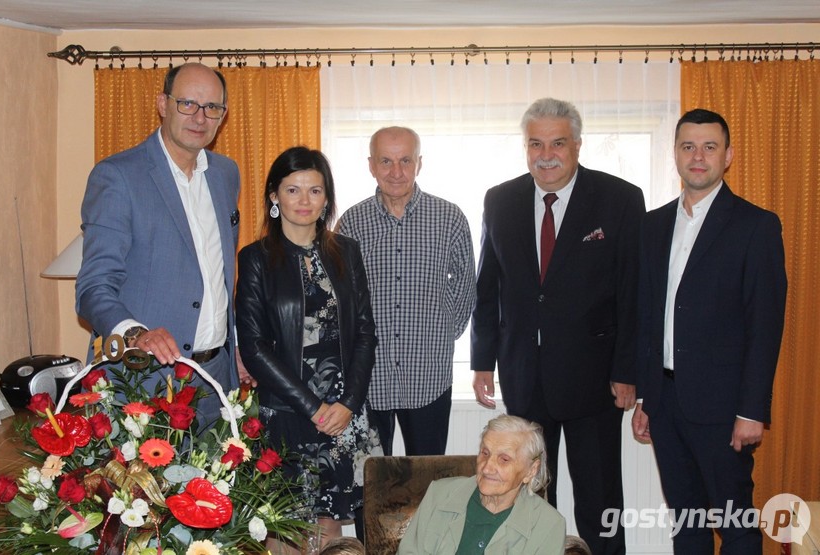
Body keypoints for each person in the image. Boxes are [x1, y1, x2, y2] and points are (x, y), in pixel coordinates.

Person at [470, 97, 645, 555]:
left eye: (558, 143)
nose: (546, 154)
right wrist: (482, 360)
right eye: (535, 143)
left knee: (600, 499)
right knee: (527, 498)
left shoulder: (621, 199)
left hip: (596, 382)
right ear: (525, 147)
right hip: (525, 377)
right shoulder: (500, 200)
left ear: (578, 146)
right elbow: (488, 286)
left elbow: (634, 294)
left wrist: (628, 371)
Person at [632, 109, 787, 554]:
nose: (697, 157)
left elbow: (765, 326)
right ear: (675, 155)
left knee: (735, 526)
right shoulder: (653, 225)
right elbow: (648, 315)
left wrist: (752, 410)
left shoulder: (756, 226)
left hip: (724, 411)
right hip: (664, 404)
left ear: (728, 156)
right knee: (688, 526)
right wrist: (645, 397)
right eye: (688, 147)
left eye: (709, 147)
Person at [76, 62, 241, 428]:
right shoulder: (118, 176)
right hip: (145, 381)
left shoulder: (226, 174)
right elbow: (93, 289)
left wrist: (236, 349)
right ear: (163, 105)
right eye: (188, 104)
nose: (200, 117)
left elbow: (218, 274)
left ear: (222, 117)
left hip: (216, 380)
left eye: (212, 108)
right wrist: (136, 333)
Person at [235, 146, 383, 554]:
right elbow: (254, 346)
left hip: (342, 413)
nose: (304, 201)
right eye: (293, 189)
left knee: (330, 529)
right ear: (274, 196)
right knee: (286, 532)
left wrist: (348, 403)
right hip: (288, 413)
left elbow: (366, 334)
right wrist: (312, 407)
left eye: (315, 191)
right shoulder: (256, 259)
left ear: (327, 197)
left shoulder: (347, 252)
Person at [337, 126, 476, 456]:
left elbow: (466, 283)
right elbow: (341, 295)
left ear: (419, 163)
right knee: (367, 483)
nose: (396, 172)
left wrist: (444, 332)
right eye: (386, 161)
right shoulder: (351, 222)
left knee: (427, 479)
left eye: (405, 161)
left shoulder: (450, 217)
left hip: (428, 374)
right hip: (368, 376)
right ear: (371, 165)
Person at [397, 414, 566, 554]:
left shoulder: (548, 525)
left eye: (504, 459)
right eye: (485, 453)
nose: (487, 467)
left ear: (531, 470)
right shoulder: (440, 495)